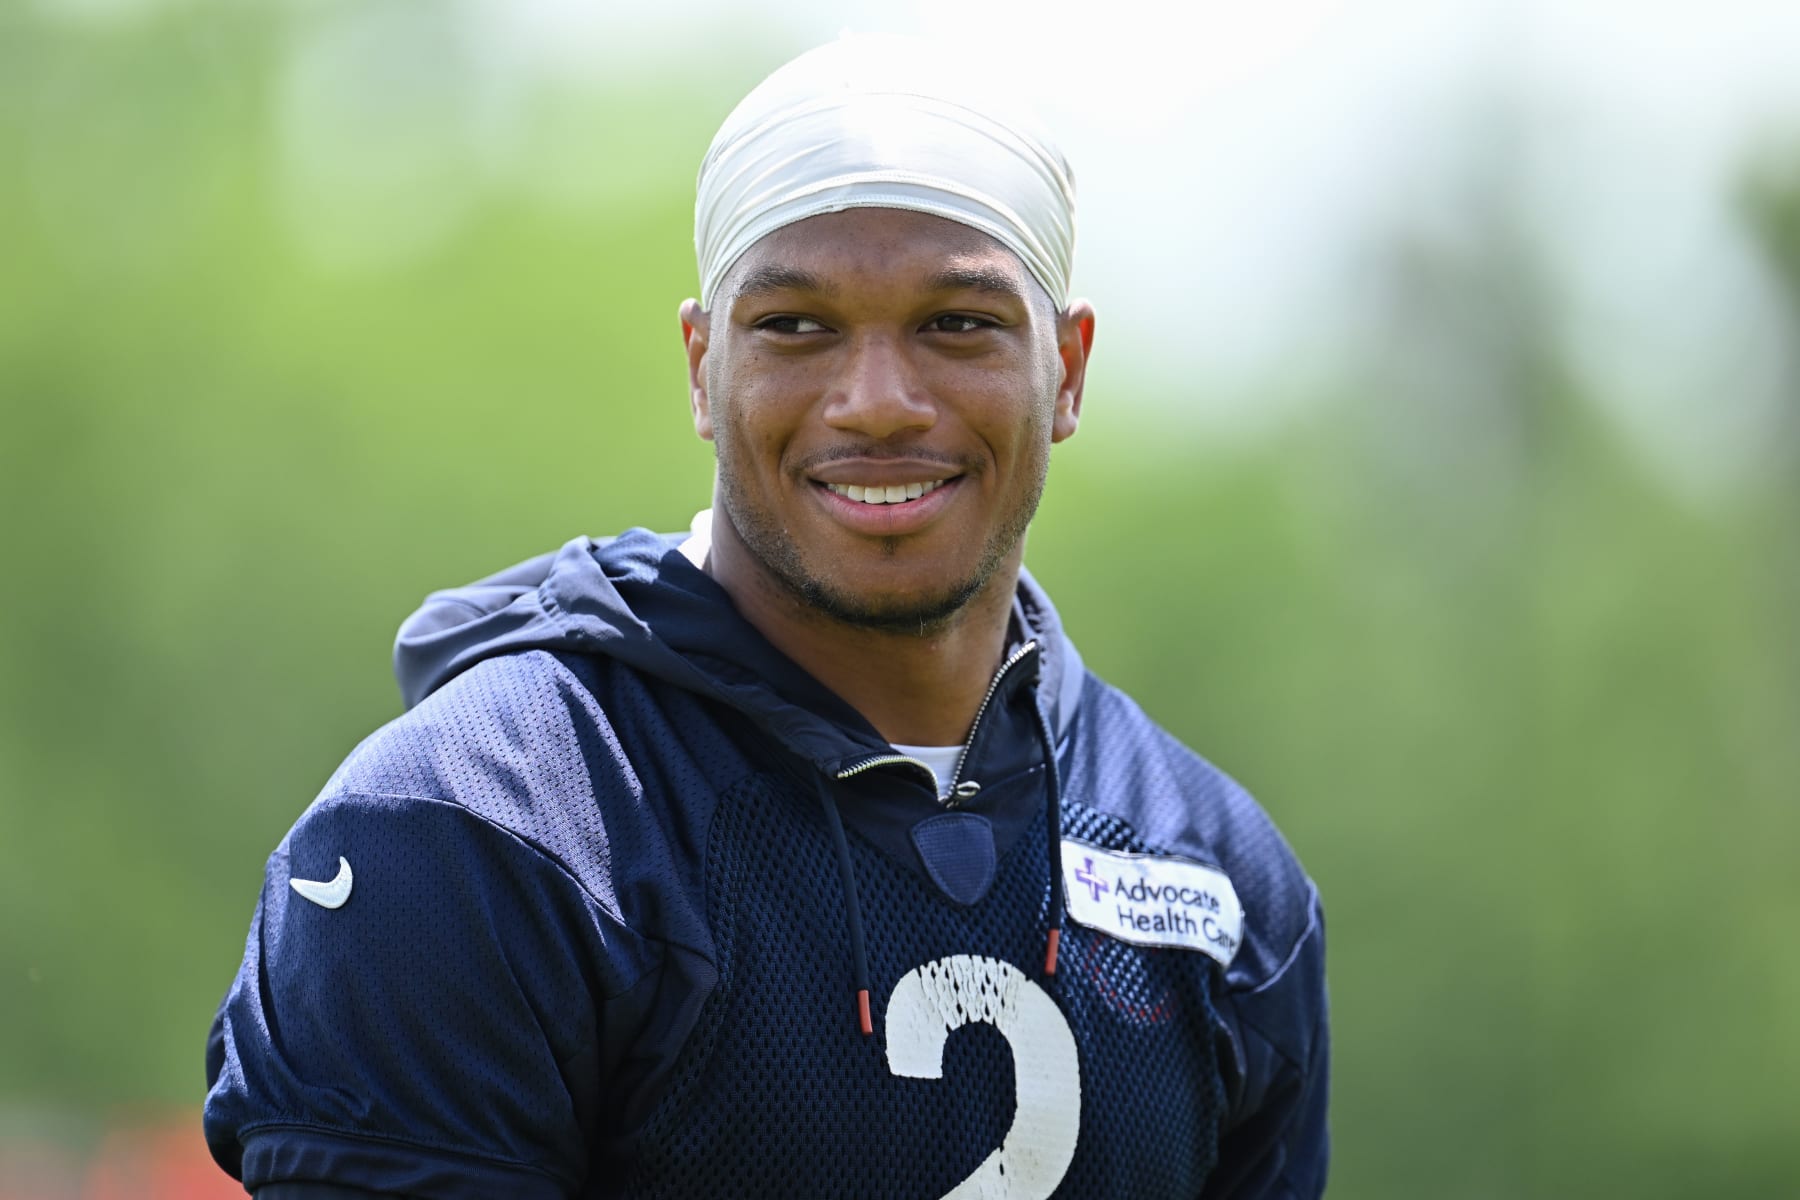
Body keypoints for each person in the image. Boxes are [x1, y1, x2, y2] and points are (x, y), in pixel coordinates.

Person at [203, 32, 1329, 1199]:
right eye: (796, 327)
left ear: (1070, 371)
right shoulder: (475, 829)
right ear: (702, 367)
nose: (879, 402)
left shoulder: (1219, 877)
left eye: (958, 324)